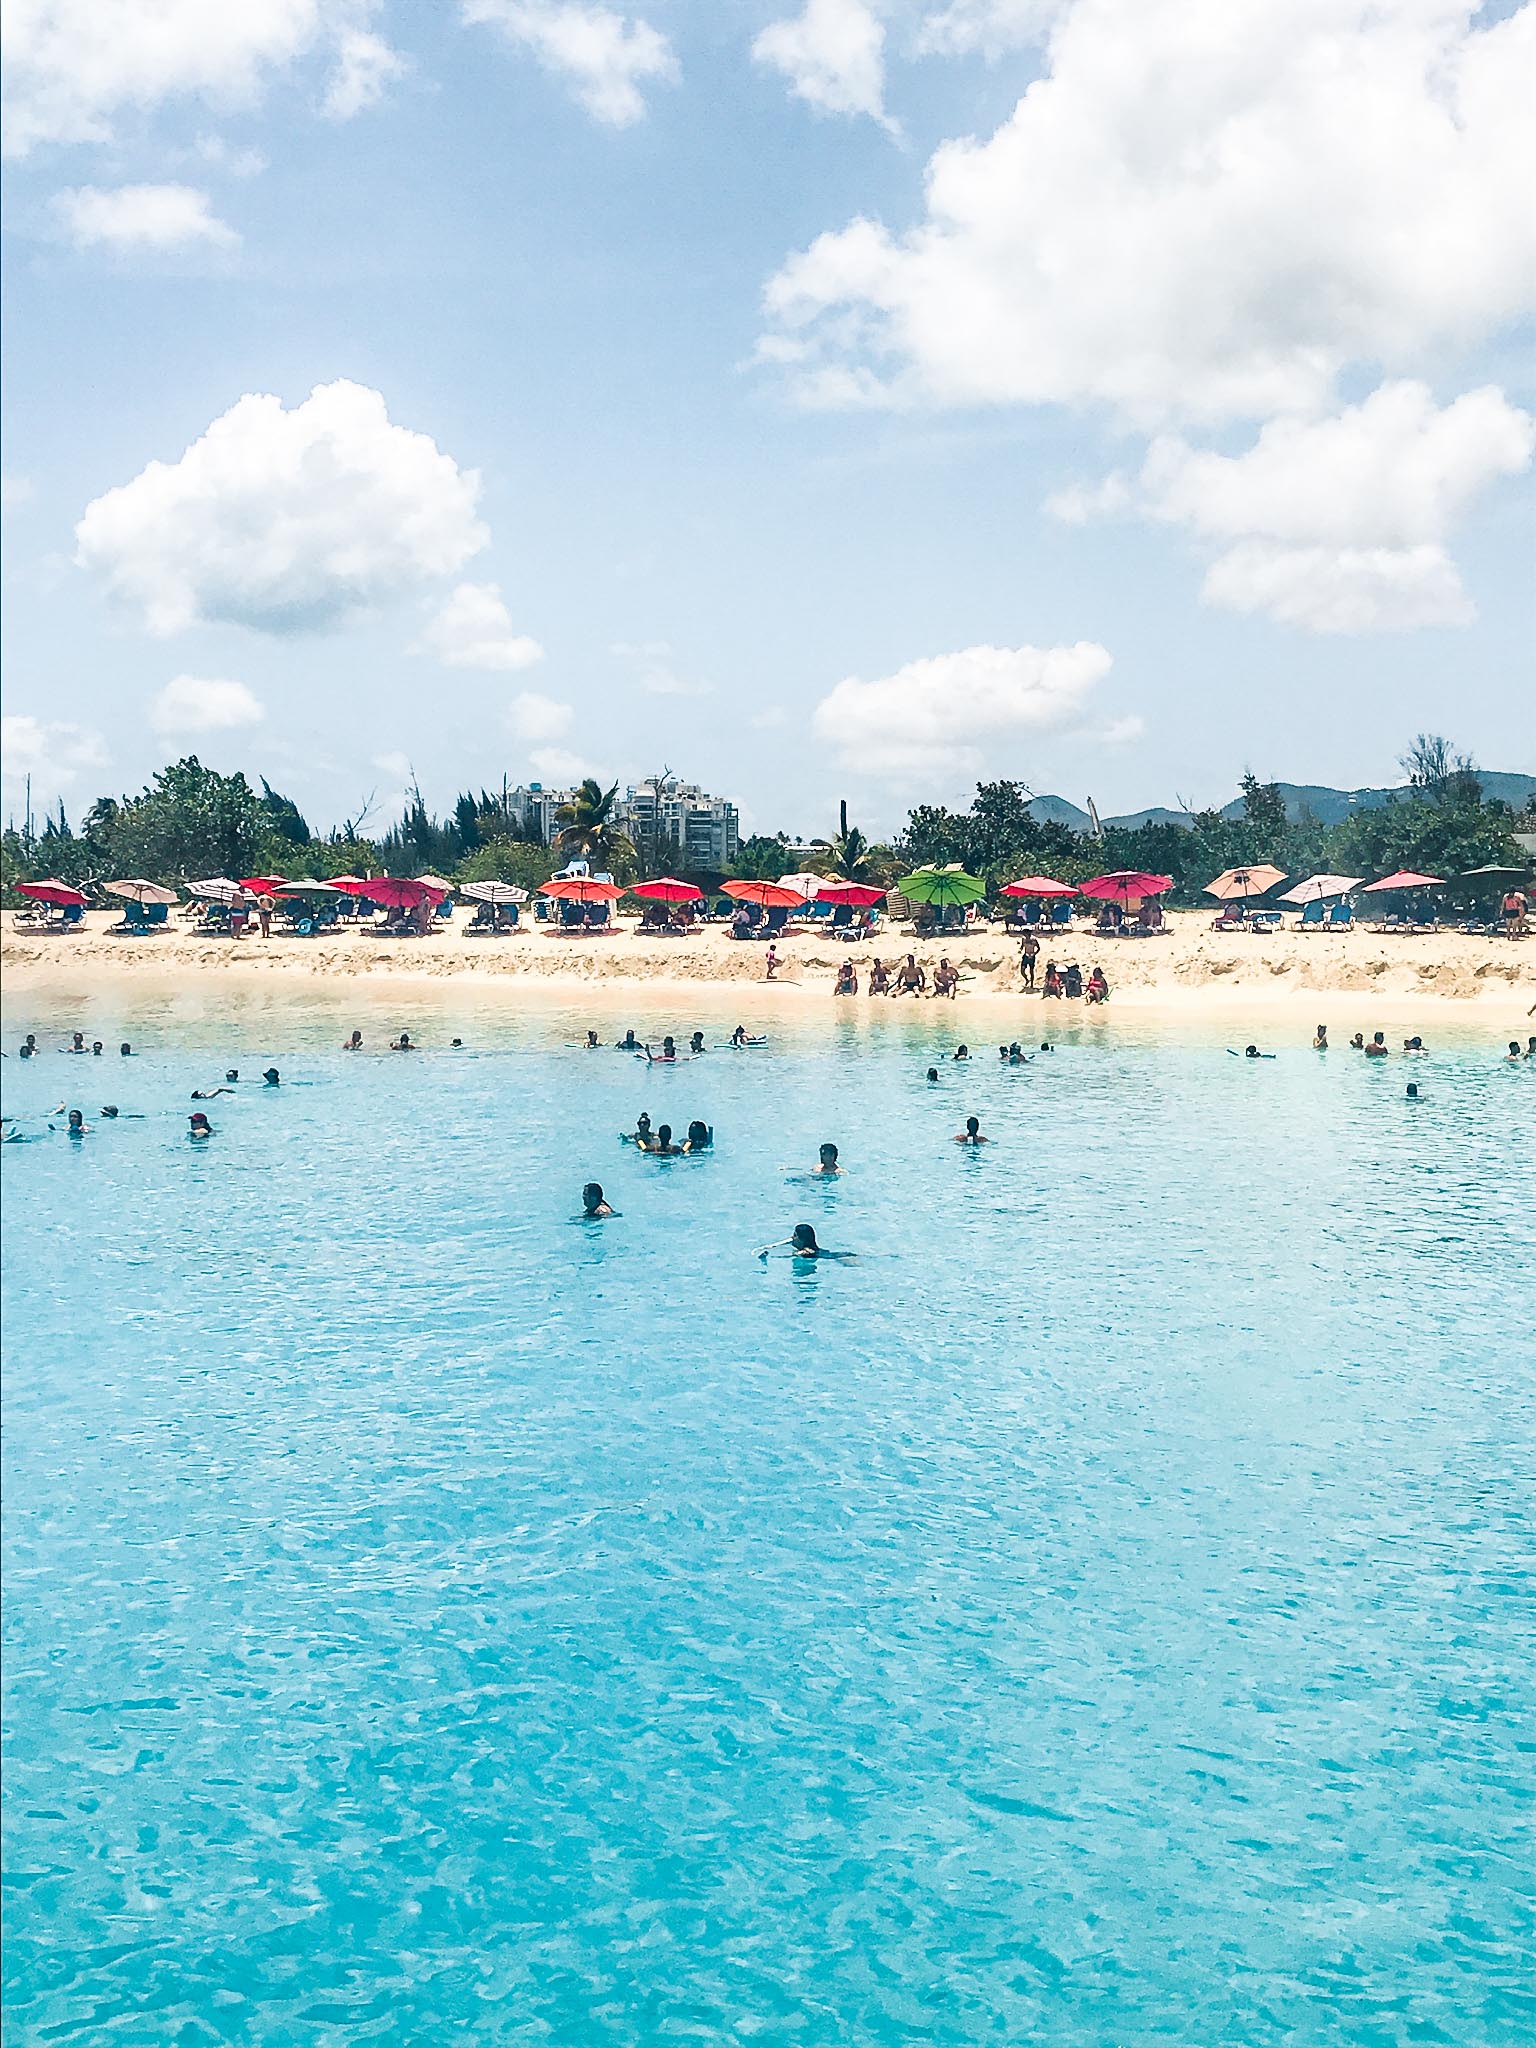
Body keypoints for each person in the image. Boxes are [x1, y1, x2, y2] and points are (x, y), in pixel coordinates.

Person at [758, 1223, 851, 1262]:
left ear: (801, 1239)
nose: (792, 1238)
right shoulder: (810, 1249)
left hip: (843, 1259)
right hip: (842, 1255)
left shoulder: (806, 1251)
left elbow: (789, 1256)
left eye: (794, 1235)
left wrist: (769, 1257)